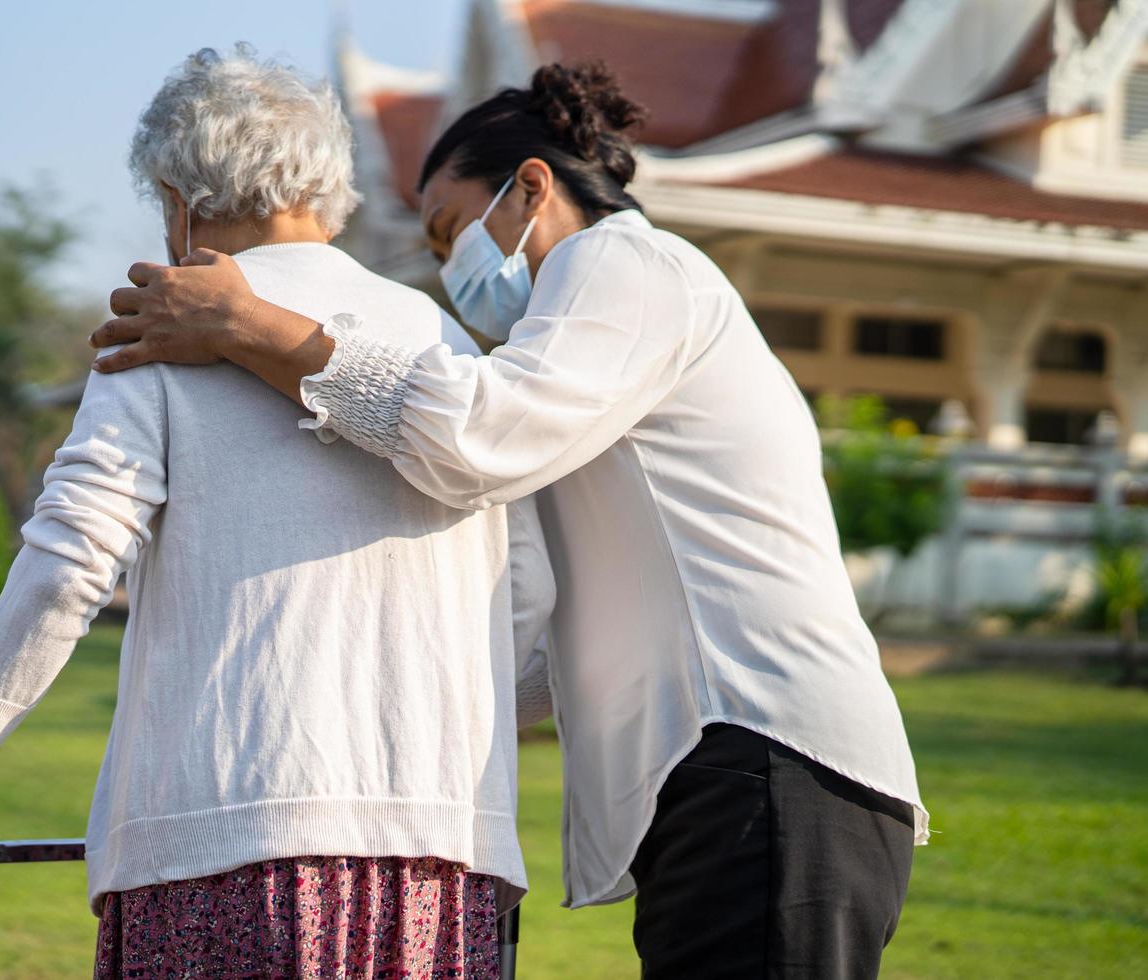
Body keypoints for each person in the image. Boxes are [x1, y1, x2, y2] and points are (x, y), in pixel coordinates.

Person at [88, 61, 930, 978]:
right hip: (727, 778)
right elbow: (537, 625)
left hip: (769, 757)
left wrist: (252, 326)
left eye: (452, 231)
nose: (454, 275)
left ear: (532, 184)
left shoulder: (627, 264)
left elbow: (475, 438)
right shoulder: (577, 361)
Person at [0, 47, 556, 980]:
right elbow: (528, 596)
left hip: (226, 843)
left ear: (179, 202)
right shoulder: (446, 339)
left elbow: (69, 562)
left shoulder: (165, 331)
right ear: (327, 186)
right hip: (440, 870)